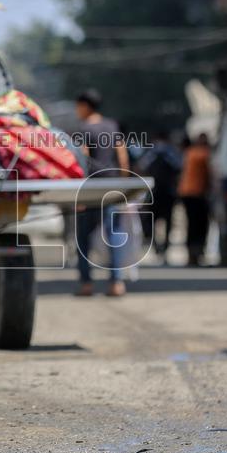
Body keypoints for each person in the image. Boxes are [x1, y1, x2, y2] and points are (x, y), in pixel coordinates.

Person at [73, 89, 131, 297]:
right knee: (113, 234)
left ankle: (86, 284)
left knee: (83, 237)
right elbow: (122, 157)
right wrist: (123, 185)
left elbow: (82, 159)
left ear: (85, 106)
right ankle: (117, 283)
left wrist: (78, 192)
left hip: (91, 188)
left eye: (78, 106)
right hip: (112, 186)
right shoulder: (112, 126)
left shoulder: (83, 129)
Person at [136, 131, 181, 262]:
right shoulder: (171, 151)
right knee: (168, 219)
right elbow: (179, 166)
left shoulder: (151, 152)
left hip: (153, 191)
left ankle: (155, 245)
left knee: (151, 219)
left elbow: (141, 166)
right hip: (168, 192)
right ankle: (165, 246)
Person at [178, 133, 212, 267]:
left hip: (186, 193)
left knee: (192, 224)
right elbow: (210, 174)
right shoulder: (203, 154)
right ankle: (196, 252)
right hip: (197, 193)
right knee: (200, 224)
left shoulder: (190, 152)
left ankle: (192, 254)